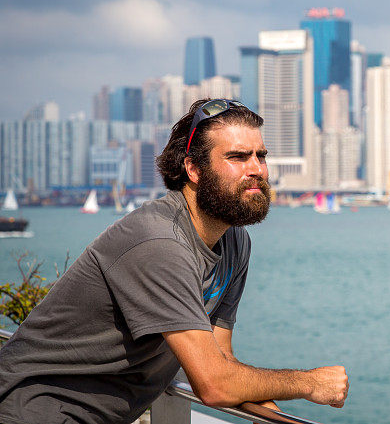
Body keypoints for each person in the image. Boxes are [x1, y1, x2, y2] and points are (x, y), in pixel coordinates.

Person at [0, 99, 349, 424]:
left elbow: (221, 361)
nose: (257, 169)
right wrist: (309, 383)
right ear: (193, 169)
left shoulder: (235, 242)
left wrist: (274, 415)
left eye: (261, 155)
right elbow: (214, 385)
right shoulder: (159, 243)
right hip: (30, 410)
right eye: (238, 157)